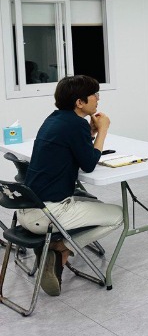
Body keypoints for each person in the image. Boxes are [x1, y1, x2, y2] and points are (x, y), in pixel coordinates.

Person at [17, 75, 123, 296]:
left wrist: (90, 133)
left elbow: (73, 149)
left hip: (27, 209)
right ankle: (60, 248)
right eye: (94, 95)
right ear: (80, 102)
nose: (98, 99)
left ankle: (52, 249)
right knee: (119, 215)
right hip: (48, 214)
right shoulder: (75, 124)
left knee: (91, 202)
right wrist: (103, 129)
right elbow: (89, 164)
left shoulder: (55, 119)